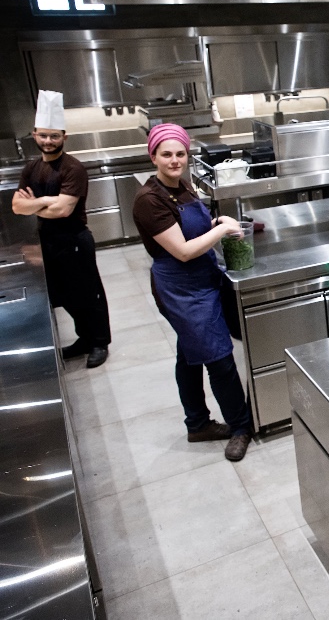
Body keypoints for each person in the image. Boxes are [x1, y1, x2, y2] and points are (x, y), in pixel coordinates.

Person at [132, 123, 253, 461]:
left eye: (180, 154)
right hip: (182, 289)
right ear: (153, 156)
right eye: (166, 154)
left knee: (189, 354)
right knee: (218, 358)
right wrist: (223, 231)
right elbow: (183, 250)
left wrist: (216, 224)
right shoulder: (149, 199)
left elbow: (194, 229)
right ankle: (241, 426)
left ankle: (197, 423)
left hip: (203, 279)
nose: (174, 160)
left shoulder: (180, 186)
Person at [12, 90, 110, 368]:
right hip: (48, 239)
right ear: (34, 135)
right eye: (43, 135)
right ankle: (84, 338)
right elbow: (17, 206)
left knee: (88, 293)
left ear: (64, 137)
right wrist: (46, 202)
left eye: (54, 136)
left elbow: (64, 209)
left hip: (75, 238)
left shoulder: (72, 168)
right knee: (64, 294)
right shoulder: (31, 169)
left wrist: (36, 203)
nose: (48, 141)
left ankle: (99, 342)